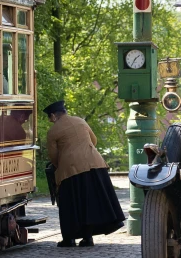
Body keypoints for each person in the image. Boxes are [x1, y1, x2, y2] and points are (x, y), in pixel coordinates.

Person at [44, 100, 126, 247]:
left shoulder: (53, 131)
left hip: (71, 170)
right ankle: (88, 238)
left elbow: (53, 156)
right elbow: (94, 141)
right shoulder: (81, 121)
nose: (50, 121)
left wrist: (61, 166)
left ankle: (69, 239)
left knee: (70, 205)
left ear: (53, 116)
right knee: (90, 203)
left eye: (49, 118)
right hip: (95, 165)